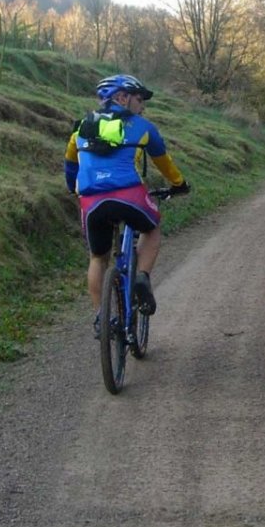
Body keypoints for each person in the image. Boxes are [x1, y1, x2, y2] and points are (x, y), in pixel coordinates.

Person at [65, 74, 189, 336]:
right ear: (122, 97)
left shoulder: (80, 129)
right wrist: (179, 184)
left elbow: (70, 166)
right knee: (152, 229)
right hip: (128, 194)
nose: (142, 106)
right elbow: (163, 162)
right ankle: (142, 277)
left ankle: (101, 317)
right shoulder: (143, 126)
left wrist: (73, 189)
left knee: (98, 257)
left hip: (91, 200)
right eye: (139, 99)